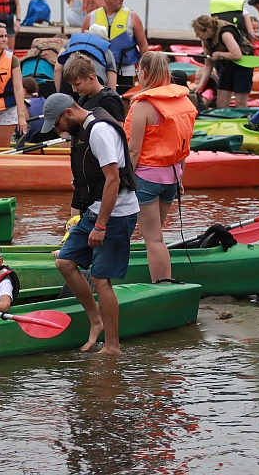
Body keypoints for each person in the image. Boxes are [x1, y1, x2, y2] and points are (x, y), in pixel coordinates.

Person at [44, 93, 140, 355]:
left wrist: (101, 226)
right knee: (65, 262)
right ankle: (96, 320)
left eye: (57, 124)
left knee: (100, 279)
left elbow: (113, 180)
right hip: (94, 211)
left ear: (68, 113)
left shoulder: (99, 131)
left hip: (116, 215)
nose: (59, 131)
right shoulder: (82, 129)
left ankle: (112, 346)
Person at [126, 51, 196, 284]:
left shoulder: (143, 105)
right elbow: (183, 145)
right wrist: (180, 179)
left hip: (147, 179)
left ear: (143, 73)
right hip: (172, 177)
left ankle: (162, 286)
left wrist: (123, 181)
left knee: (153, 239)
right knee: (157, 237)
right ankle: (163, 280)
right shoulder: (183, 100)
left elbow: (134, 150)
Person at [82, 0, 148, 92]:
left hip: (125, 69)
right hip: (98, 69)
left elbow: (143, 45)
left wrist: (145, 70)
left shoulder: (132, 16)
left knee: (125, 98)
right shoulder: (91, 17)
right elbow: (82, 47)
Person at [190, 14, 249, 108]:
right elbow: (208, 65)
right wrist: (200, 84)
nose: (197, 36)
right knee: (221, 102)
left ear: (207, 31)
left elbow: (237, 55)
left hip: (242, 64)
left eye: (198, 33)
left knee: (240, 103)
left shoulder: (225, 34)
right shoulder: (205, 40)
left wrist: (219, 54)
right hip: (226, 65)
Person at [56, 23, 118, 95]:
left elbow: (57, 69)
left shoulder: (70, 42)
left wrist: (59, 93)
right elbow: (112, 83)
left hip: (69, 76)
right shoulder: (106, 50)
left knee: (67, 105)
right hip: (95, 78)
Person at [62, 53, 126, 123]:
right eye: (72, 85)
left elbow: (118, 128)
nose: (74, 90)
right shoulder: (84, 98)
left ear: (91, 78)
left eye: (77, 84)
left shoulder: (108, 101)